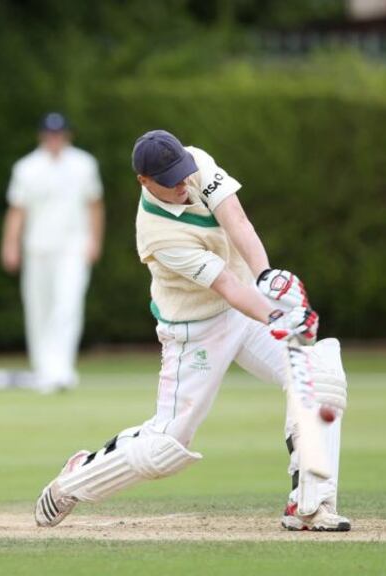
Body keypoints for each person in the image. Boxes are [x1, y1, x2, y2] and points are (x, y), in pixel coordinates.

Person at [33, 129, 350, 532]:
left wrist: (267, 275)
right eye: (171, 181)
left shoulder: (195, 163)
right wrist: (276, 315)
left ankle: (310, 506)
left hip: (244, 311)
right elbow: (228, 288)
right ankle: (75, 478)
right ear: (145, 182)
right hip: (196, 330)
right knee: (165, 446)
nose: (183, 184)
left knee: (317, 373)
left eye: (183, 174)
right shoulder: (157, 235)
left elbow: (236, 220)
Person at [0, 112, 105, 393]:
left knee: (67, 305)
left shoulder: (84, 164)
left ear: (67, 135)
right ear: (42, 136)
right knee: (39, 309)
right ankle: (44, 369)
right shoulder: (26, 167)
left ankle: (62, 369)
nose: (55, 139)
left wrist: (94, 240)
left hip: (73, 246)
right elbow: (17, 210)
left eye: (60, 134)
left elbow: (94, 204)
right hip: (37, 247)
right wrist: (10, 245)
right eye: (50, 134)